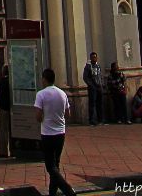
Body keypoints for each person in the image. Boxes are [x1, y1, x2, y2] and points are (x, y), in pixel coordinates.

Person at [34, 67, 76, 196]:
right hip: (60, 133)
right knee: (55, 163)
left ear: (44, 79)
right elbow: (68, 114)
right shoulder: (62, 93)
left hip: (47, 134)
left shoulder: (41, 94)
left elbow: (38, 117)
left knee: (50, 166)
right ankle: (52, 193)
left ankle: (67, 189)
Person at [0, 64, 12, 158]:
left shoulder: (2, 81)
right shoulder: (12, 81)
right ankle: (14, 149)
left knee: (3, 130)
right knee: (12, 130)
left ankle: (3, 151)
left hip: (4, 109)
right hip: (13, 108)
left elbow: (0, 95)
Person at [82, 52, 103, 126]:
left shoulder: (98, 66)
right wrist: (91, 85)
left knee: (99, 103)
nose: (94, 59)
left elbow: (100, 76)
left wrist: (101, 85)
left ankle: (100, 119)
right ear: (90, 58)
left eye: (95, 57)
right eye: (93, 57)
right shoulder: (88, 67)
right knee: (92, 104)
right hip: (92, 88)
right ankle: (91, 120)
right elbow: (85, 77)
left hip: (99, 87)